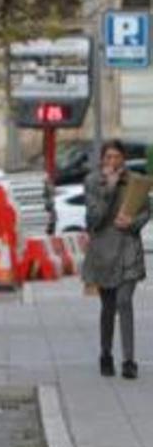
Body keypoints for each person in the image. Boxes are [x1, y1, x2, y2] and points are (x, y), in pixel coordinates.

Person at [82, 139, 148, 379]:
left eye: (116, 157)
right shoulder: (92, 182)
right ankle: (106, 353)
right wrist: (108, 189)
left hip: (129, 248)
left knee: (124, 301)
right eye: (108, 157)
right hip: (103, 252)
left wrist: (134, 223)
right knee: (108, 307)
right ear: (102, 159)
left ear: (123, 159)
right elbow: (94, 220)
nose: (112, 162)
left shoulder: (135, 181)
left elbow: (146, 209)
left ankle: (129, 360)